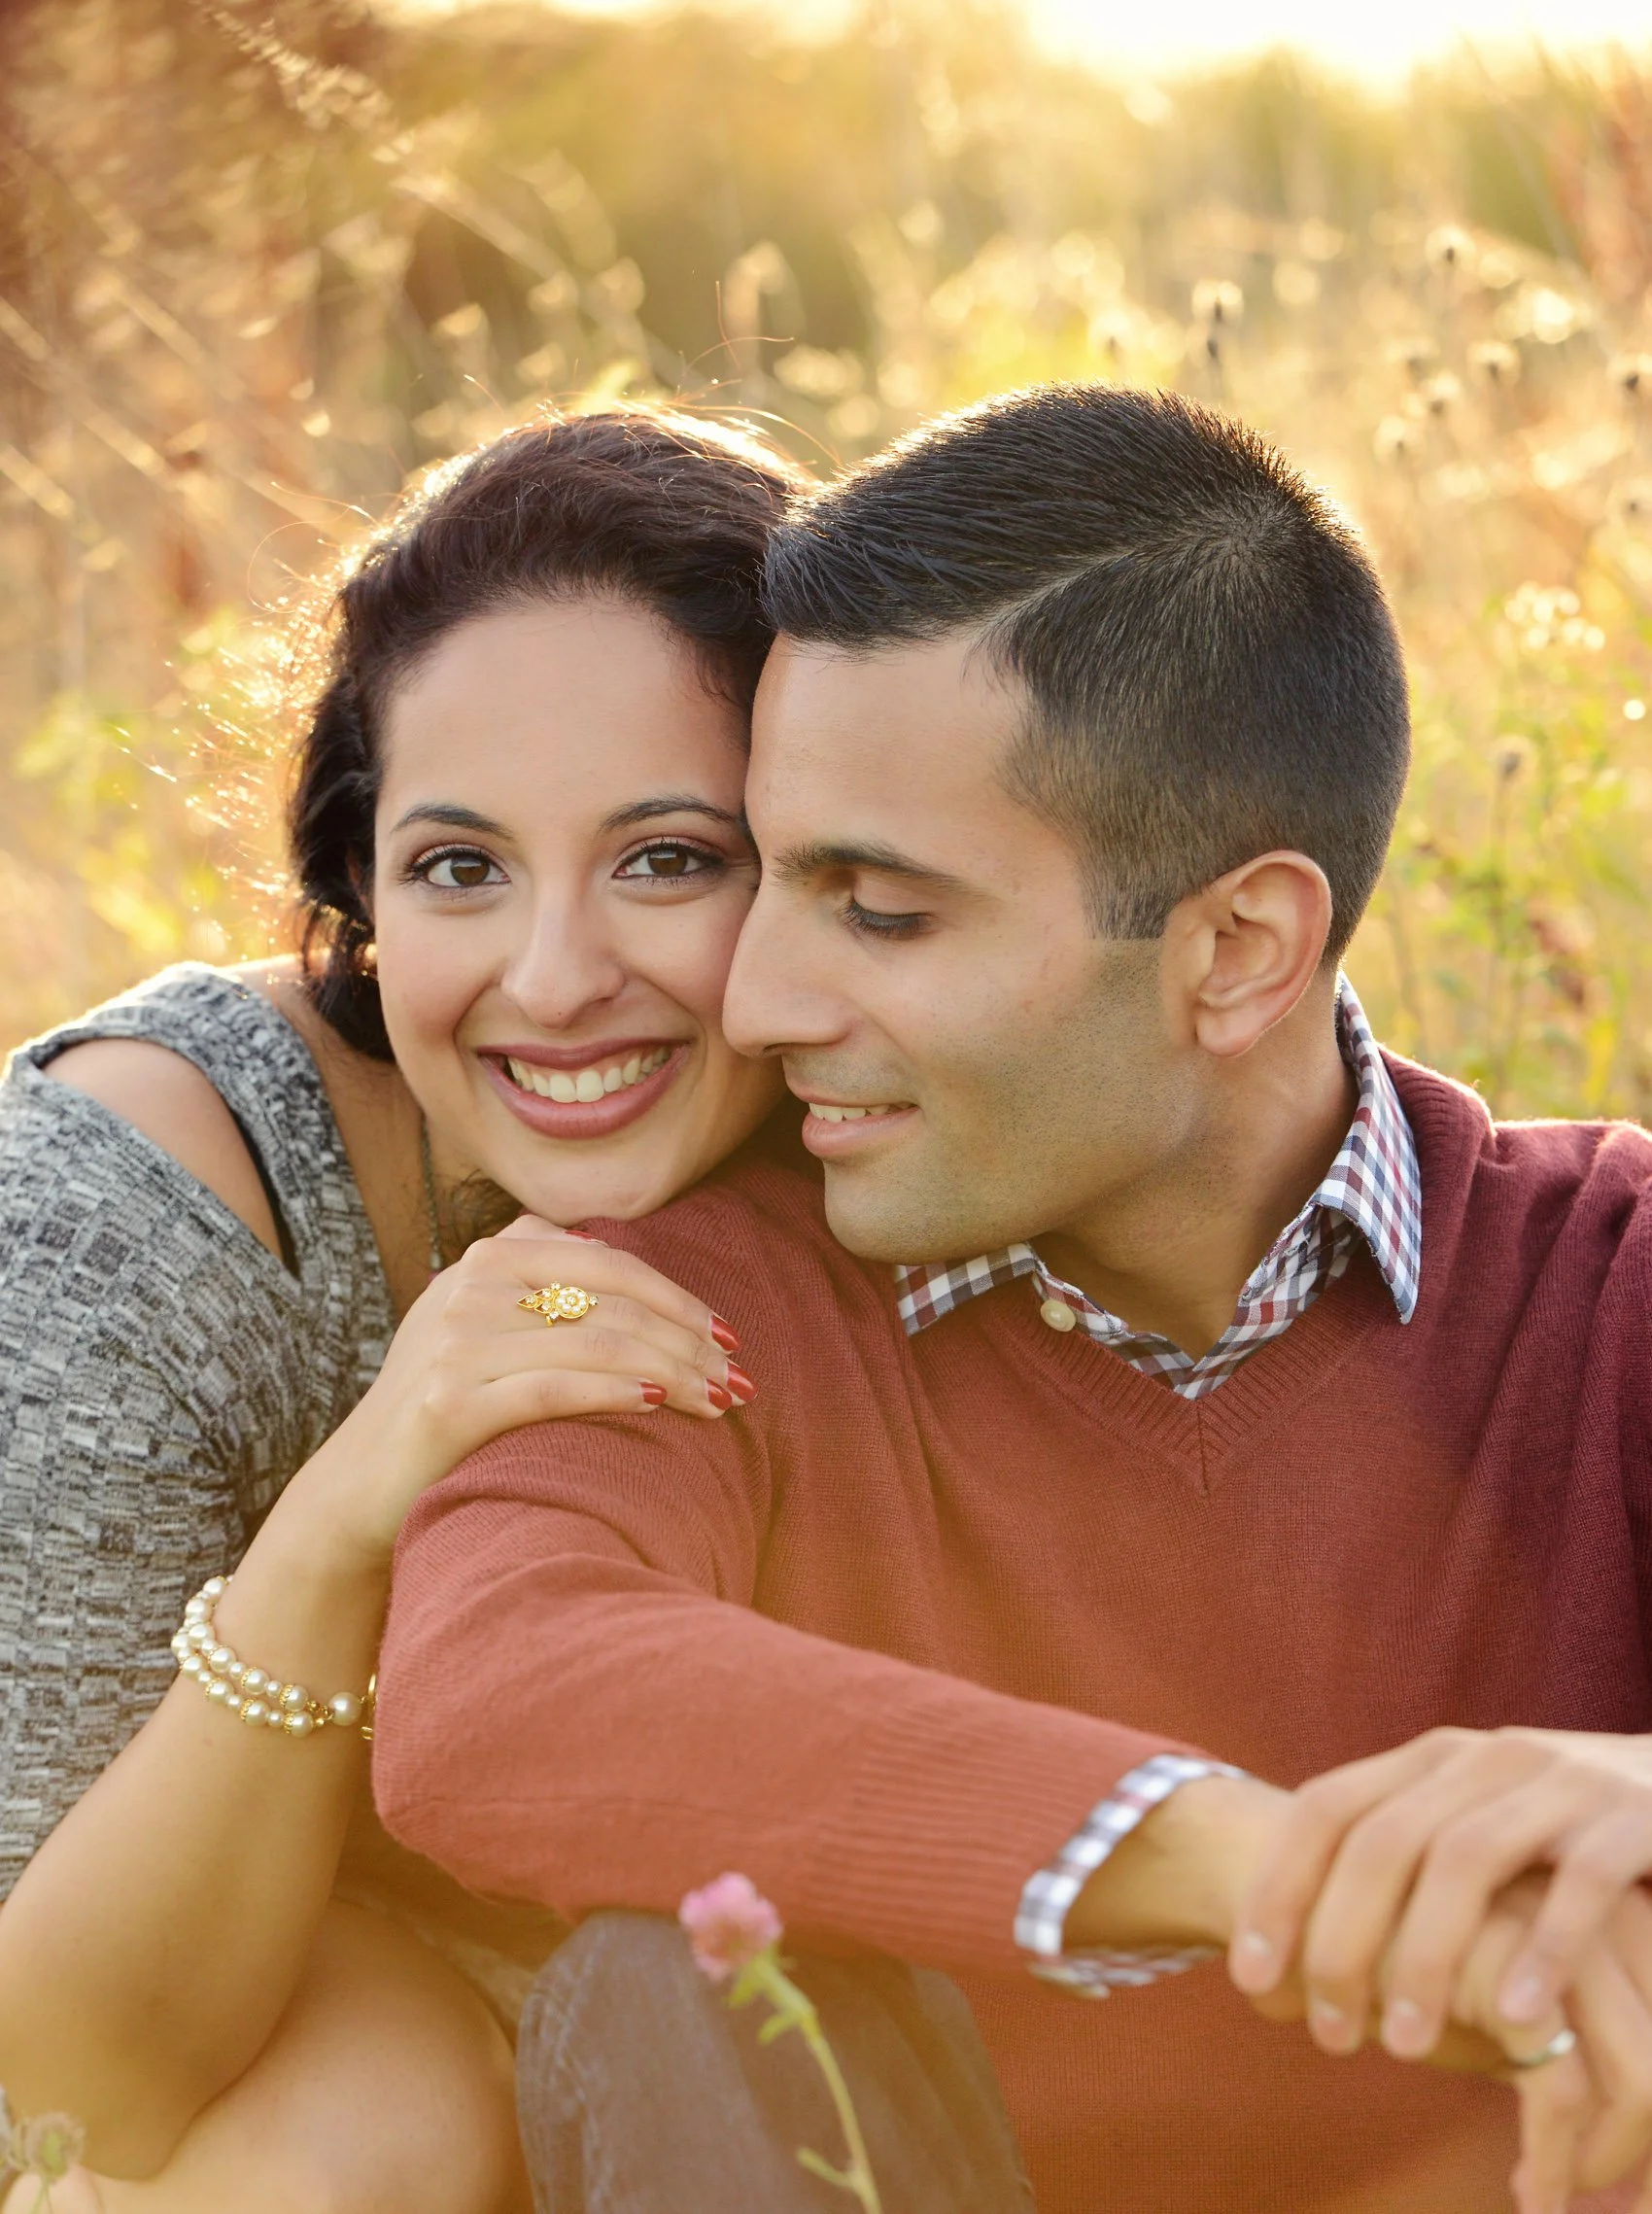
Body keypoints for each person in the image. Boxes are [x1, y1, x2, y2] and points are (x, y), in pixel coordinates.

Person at [375, 387, 1652, 2214]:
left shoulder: (1612, 1284)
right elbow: (498, 1684)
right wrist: (1252, 1856)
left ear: (1235, 951)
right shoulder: (689, 1300)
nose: (755, 1004)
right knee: (676, 1984)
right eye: (766, 872)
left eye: (878, 910)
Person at [0, 405, 806, 2212]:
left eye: (669, 854)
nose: (555, 978)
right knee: (385, 2107)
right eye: (462, 868)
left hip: (635, 1999)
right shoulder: (120, 1215)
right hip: (157, 2060)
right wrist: (351, 1504)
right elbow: (57, 2091)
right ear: (358, 890)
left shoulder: (898, 1105)